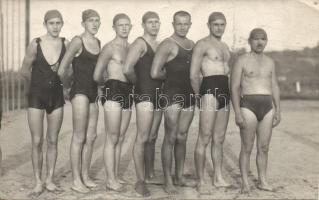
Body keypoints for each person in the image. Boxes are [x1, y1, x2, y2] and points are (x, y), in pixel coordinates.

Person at [20, 10, 68, 196]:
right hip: (36, 98)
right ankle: (37, 182)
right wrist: (36, 85)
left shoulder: (66, 43)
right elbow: (24, 70)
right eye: (52, 23)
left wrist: (65, 84)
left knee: (53, 140)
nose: (55, 27)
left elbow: (71, 68)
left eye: (58, 23)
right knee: (37, 141)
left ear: (62, 24)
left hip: (56, 97)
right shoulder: (36, 44)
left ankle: (49, 180)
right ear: (45, 24)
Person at [231, 28, 281, 193]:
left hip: (267, 107)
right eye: (256, 39)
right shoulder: (242, 60)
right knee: (247, 147)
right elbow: (234, 87)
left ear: (266, 41)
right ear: (249, 41)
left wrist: (278, 109)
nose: (260, 42)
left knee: (264, 147)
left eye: (263, 39)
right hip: (248, 106)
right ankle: (245, 182)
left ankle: (262, 180)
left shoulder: (270, 62)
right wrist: (237, 112)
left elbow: (274, 85)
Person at [151, 11, 196, 194]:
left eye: (186, 24)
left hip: (189, 94)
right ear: (173, 24)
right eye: (179, 24)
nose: (182, 27)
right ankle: (168, 180)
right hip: (171, 94)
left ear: (190, 24)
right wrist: (170, 78)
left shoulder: (192, 45)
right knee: (170, 137)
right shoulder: (167, 44)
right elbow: (155, 72)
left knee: (182, 136)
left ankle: (179, 176)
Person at [58, 9, 101, 193]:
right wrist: (67, 88)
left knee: (91, 137)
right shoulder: (77, 41)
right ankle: (76, 180)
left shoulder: (98, 42)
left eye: (97, 20)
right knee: (79, 136)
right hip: (80, 92)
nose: (95, 24)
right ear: (83, 23)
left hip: (92, 92)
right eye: (91, 20)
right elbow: (62, 70)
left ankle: (85, 175)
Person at [190, 12, 231, 194]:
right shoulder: (202, 44)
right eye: (216, 24)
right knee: (204, 136)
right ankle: (200, 181)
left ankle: (218, 177)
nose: (219, 28)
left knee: (219, 139)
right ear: (208, 25)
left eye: (222, 24)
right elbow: (193, 73)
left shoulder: (225, 46)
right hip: (209, 89)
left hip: (224, 90)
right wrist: (199, 96)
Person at [123, 11, 163, 196]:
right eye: (150, 22)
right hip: (144, 94)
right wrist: (137, 83)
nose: (154, 25)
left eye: (157, 22)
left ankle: (149, 174)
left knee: (153, 136)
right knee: (142, 136)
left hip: (158, 94)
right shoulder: (140, 43)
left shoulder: (160, 45)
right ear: (143, 24)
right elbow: (127, 68)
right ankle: (140, 181)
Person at [93, 13, 132, 192]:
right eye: (120, 25)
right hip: (113, 89)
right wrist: (107, 86)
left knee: (121, 137)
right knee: (112, 136)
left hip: (128, 91)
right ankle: (110, 180)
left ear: (130, 27)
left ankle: (115, 176)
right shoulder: (109, 48)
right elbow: (96, 74)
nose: (124, 28)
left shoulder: (132, 48)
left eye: (127, 25)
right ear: (114, 27)